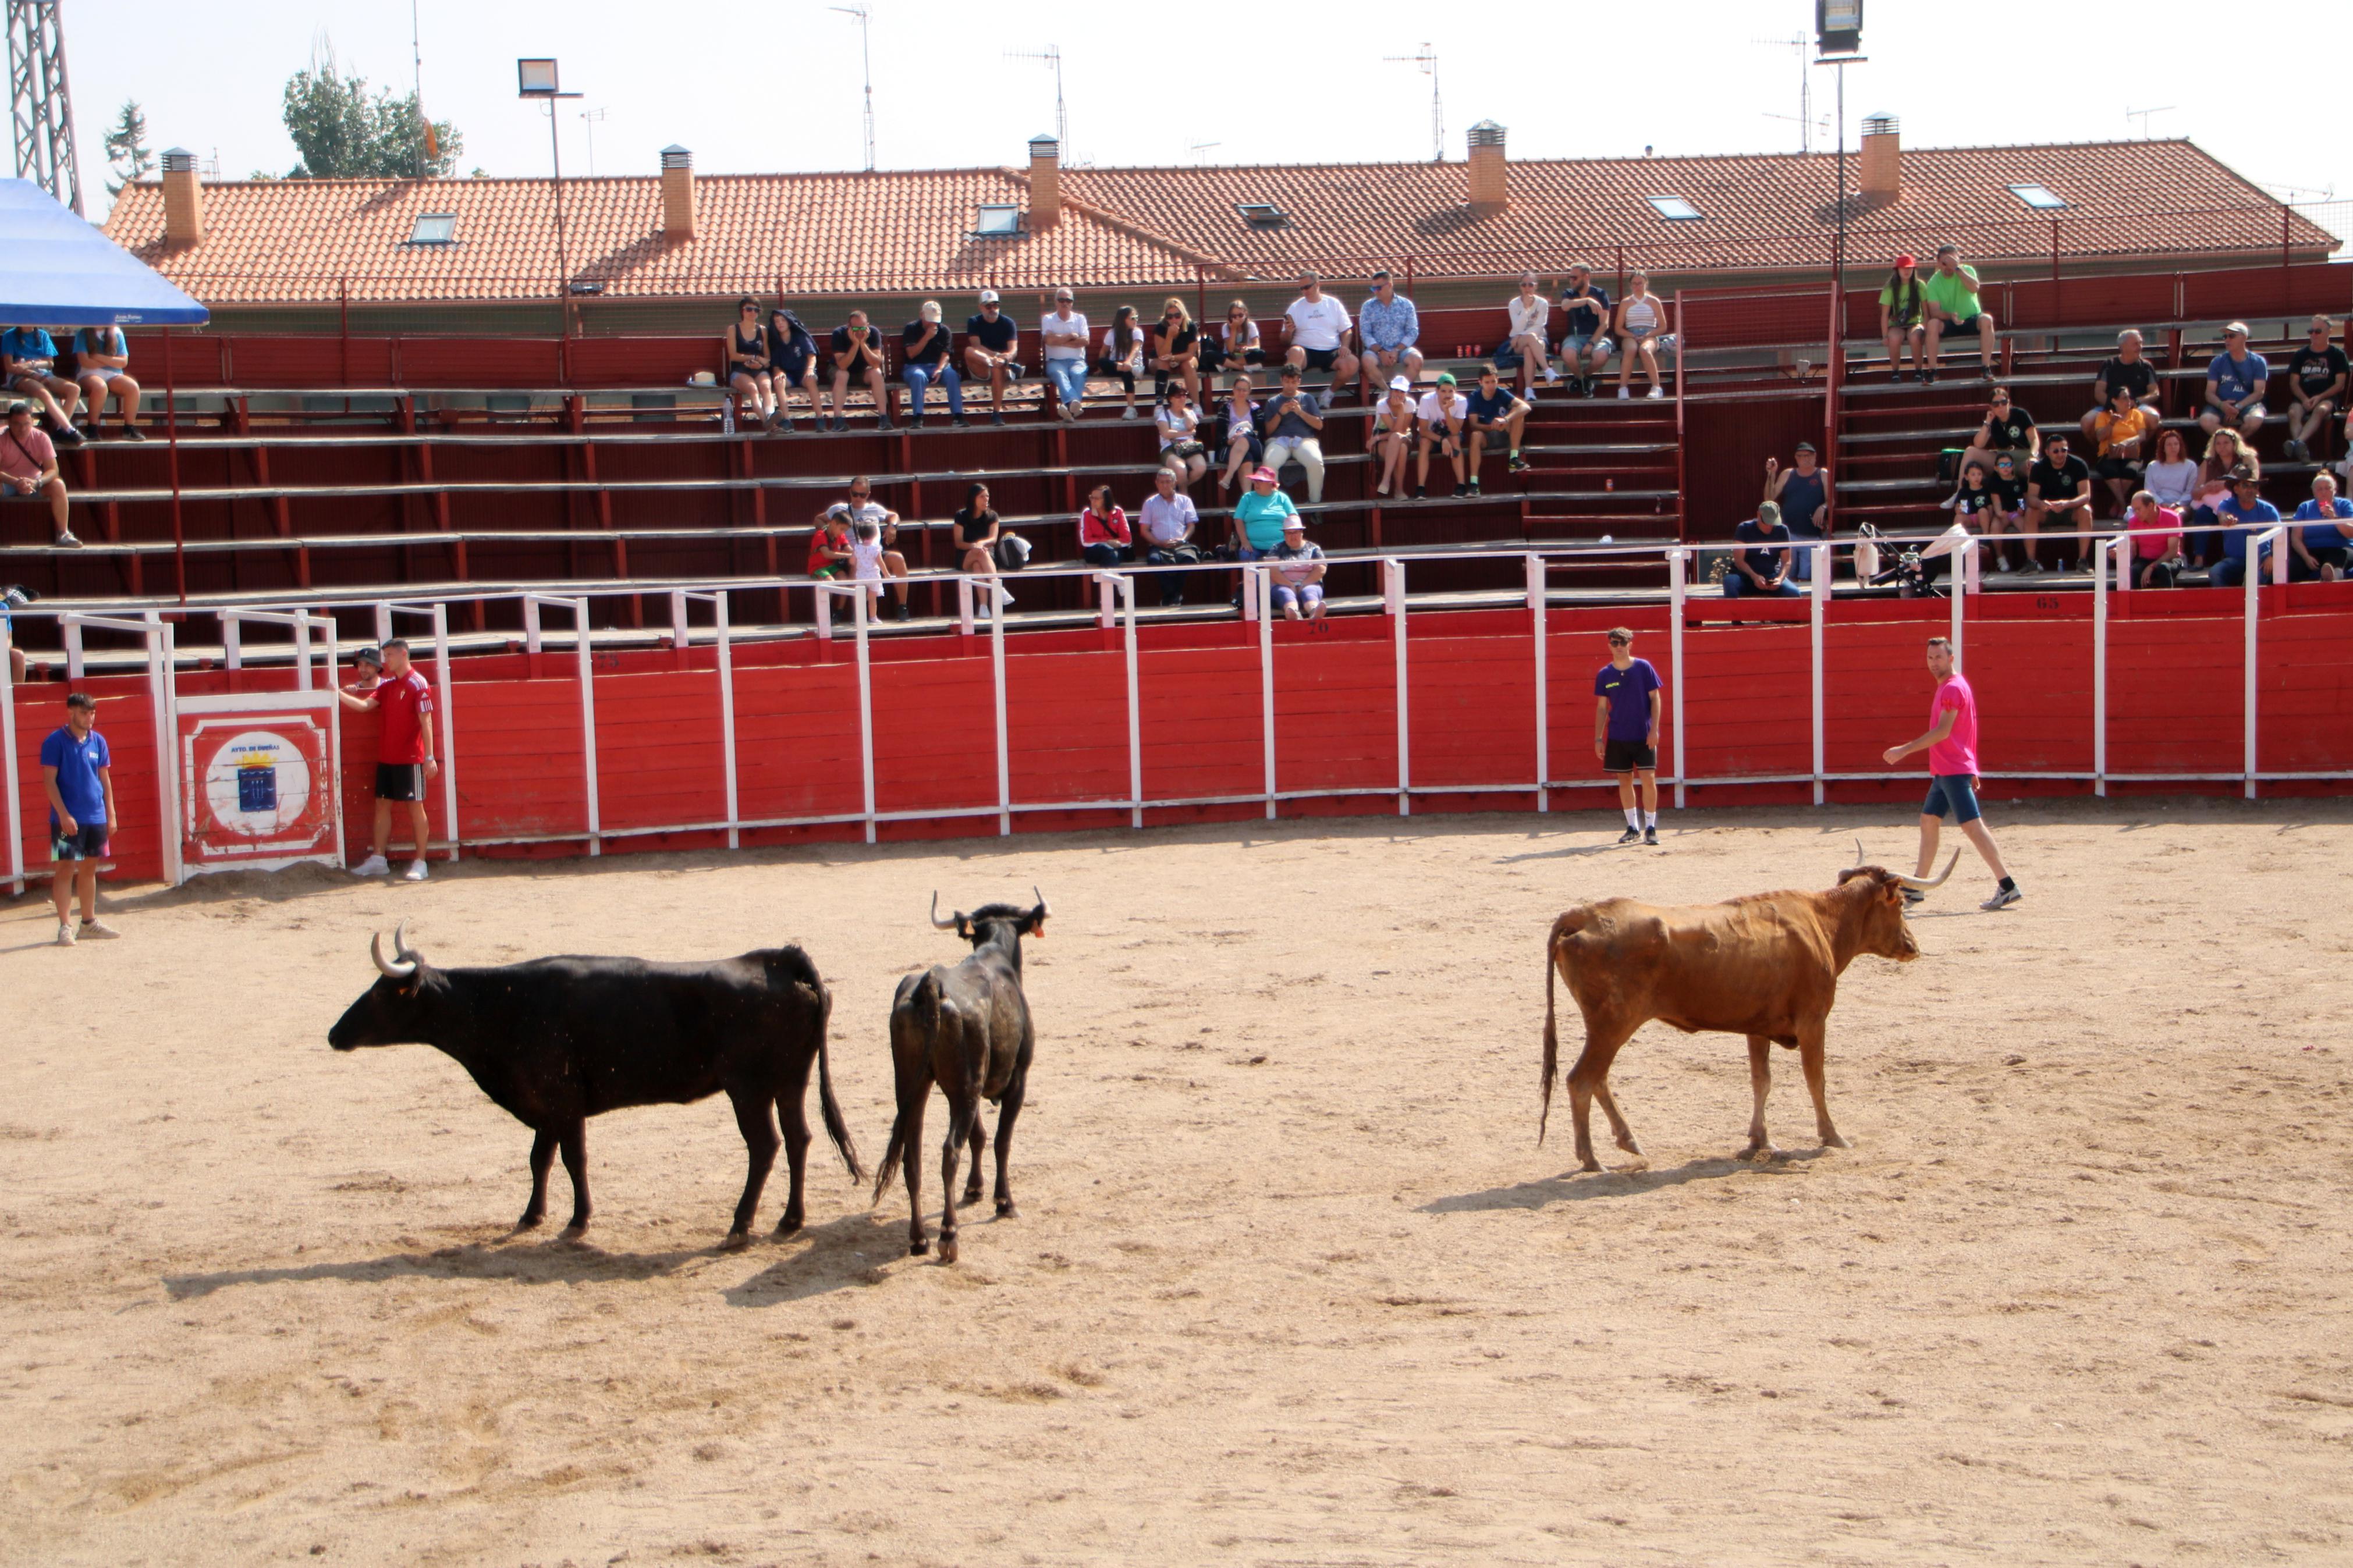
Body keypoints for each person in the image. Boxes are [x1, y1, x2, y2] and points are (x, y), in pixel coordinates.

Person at [1883, 636, 2020, 912]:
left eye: (1939, 658)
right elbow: (1966, 731)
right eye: (1930, 658)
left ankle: (2007, 886)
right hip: (1950, 769)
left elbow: (1944, 732)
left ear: (1951, 659)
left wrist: (1905, 750)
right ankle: (1918, 887)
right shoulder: (1955, 686)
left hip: (1952, 769)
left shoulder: (1951, 689)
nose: (1934, 663)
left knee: (1972, 826)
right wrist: (1972, 767)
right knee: (1929, 820)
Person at [336, 639, 438, 881]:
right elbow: (364, 706)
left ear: (404, 654)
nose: (386, 660)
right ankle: (379, 859)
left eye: (390, 655)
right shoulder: (389, 686)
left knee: (416, 807)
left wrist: (430, 757)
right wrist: (337, 693)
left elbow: (427, 721)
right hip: (387, 757)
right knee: (382, 805)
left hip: (411, 757)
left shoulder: (418, 683)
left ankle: (421, 862)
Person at [40, 691, 119, 945]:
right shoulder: (55, 741)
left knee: (89, 869)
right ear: (71, 712)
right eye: (84, 713)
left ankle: (88, 923)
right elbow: (49, 781)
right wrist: (63, 814)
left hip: (95, 816)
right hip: (67, 818)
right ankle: (65, 926)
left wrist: (111, 814)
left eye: (92, 713)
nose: (90, 718)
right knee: (64, 868)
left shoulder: (98, 741)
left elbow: (105, 780)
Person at [1593, 627, 1663, 845]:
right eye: (1615, 643)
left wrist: (1654, 729)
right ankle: (1633, 827)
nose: (1619, 647)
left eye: (1623, 643)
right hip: (1618, 736)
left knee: (1648, 779)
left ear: (1630, 644)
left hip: (1643, 734)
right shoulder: (1605, 674)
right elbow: (1602, 708)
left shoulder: (1643, 667)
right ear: (1609, 646)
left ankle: (1651, 827)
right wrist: (1598, 738)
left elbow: (1655, 699)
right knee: (1624, 780)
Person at [1, 399, 75, 546]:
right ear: (9, 423)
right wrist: (16, 482)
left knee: (58, 484)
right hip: (6, 483)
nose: (22, 429)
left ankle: (64, 533)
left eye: (26, 424)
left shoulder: (41, 437)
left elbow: (53, 470)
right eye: (17, 424)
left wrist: (37, 482)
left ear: (33, 422)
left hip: (35, 482)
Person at [1919, 244, 1996, 381]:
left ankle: (1985, 368)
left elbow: (1975, 288)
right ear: (1938, 263)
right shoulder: (1933, 283)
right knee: (1932, 324)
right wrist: (1951, 316)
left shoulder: (1967, 271)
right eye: (1944, 263)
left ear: (1958, 261)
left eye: (1952, 262)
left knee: (1987, 320)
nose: (1948, 267)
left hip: (1972, 319)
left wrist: (1957, 270)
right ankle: (1933, 371)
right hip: (1949, 322)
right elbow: (1935, 311)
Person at [1, 325, 84, 443]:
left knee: (74, 389)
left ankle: (60, 429)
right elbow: (10, 367)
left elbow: (50, 363)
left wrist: (31, 364)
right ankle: (69, 429)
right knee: (43, 393)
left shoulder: (43, 335)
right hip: (20, 376)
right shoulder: (10, 336)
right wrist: (31, 373)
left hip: (44, 374)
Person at [2024, 434, 2093, 574]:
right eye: (2056, 451)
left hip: (2071, 510)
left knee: (2086, 510)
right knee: (2031, 512)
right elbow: (2031, 498)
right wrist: (2040, 504)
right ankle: (2031, 562)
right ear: (2047, 452)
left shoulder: (2079, 465)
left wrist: (2067, 504)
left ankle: (2082, 561)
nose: (2061, 454)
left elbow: (2086, 496)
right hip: (2047, 510)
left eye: (2064, 450)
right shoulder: (2038, 468)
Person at [1763, 443, 1832, 581]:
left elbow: (1832, 500)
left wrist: (1823, 507)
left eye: (1808, 455)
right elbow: (1769, 499)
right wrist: (1772, 474)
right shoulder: (1788, 474)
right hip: (1789, 534)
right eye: (1801, 456)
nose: (1805, 459)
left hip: (1812, 534)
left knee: (1808, 577)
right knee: (1789, 575)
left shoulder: (1822, 474)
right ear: (1796, 458)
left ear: (1815, 456)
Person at [2188, 429, 2256, 568]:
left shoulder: (2246, 459)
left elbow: (2254, 482)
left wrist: (2225, 485)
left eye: (2226, 443)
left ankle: (2231, 556)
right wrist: (2206, 488)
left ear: (2234, 444)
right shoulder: (2208, 463)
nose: (2222, 446)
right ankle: (2199, 558)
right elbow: (2194, 493)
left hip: (2239, 501)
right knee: (2201, 514)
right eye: (2218, 443)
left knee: (2234, 515)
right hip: (2213, 504)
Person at [1259, 364, 1326, 503]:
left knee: (1316, 462)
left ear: (1299, 382)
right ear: (1282, 381)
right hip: (1278, 441)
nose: (1290, 386)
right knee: (1269, 463)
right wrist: (1280, 413)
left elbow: (1319, 425)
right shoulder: (1273, 402)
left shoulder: (1307, 398)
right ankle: (1273, 504)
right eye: (1287, 382)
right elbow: (1268, 431)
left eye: (1294, 382)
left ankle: (1315, 502)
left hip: (1304, 440)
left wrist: (1300, 412)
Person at [2284, 315, 2347, 462]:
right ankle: (2300, 447)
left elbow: (2340, 384)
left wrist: (2319, 397)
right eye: (2310, 331)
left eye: (2317, 331)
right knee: (2293, 413)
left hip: (2326, 398)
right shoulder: (2301, 354)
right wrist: (2304, 399)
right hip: (2302, 397)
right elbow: (2294, 383)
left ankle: (2297, 443)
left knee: (2320, 410)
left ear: (2328, 332)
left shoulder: (2338, 355)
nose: (2313, 335)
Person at [1280, 271, 1355, 394]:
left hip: (1331, 351)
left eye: (1307, 287)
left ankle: (1329, 393)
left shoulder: (1333, 304)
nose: (1305, 291)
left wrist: (1345, 346)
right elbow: (1284, 341)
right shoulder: (1295, 307)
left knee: (1352, 362)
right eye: (1301, 288)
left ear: (1317, 285)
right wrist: (1288, 332)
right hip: (1305, 352)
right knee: (1295, 352)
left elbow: (1346, 330)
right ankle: (1290, 395)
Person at [1355, 268, 1422, 403]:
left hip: (1402, 349)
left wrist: (1397, 350)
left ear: (1390, 285)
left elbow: (1412, 331)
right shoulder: (1368, 307)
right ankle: (1388, 392)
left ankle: (1402, 392)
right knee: (1367, 362)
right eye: (1373, 289)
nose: (1376, 292)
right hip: (1376, 351)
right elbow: (1365, 333)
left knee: (1417, 360)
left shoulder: (1406, 305)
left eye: (1379, 288)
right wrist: (1381, 351)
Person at [2080, 329, 2159, 444]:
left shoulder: (2146, 366)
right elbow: (2099, 393)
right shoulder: (2109, 365)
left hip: (2137, 407)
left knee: (2154, 418)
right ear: (2123, 347)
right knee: (2086, 422)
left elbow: (2155, 392)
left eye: (2141, 343)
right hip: (2111, 406)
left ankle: (2137, 448)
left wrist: (2137, 401)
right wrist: (2114, 406)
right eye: (2136, 344)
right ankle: (2103, 450)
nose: (2140, 347)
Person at [2208, 467, 2281, 589]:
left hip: (2261, 560)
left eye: (2254, 486)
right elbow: (2222, 516)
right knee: (2215, 572)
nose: (2250, 490)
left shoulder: (2269, 510)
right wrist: (2227, 520)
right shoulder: (2227, 504)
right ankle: (2226, 604)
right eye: (2245, 486)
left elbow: (2280, 535)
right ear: (2236, 489)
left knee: (2253, 578)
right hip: (2234, 560)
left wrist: (2272, 556)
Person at [2091, 384, 2159, 516]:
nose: (2128, 402)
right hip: (2109, 454)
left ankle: (2117, 503)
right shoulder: (2103, 416)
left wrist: (2127, 442)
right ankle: (2123, 506)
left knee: (2129, 471)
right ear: (2114, 401)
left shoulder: (2136, 414)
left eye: (2129, 398)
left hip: (2131, 454)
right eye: (2124, 398)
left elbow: (2142, 435)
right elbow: (2100, 437)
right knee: (2111, 471)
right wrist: (2111, 423)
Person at [1462, 365, 1532, 491]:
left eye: (1493, 381)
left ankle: (1514, 459)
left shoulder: (1501, 392)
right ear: (1480, 382)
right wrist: (1492, 427)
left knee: (1518, 413)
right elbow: (1473, 425)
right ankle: (1474, 484)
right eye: (1487, 382)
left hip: (1506, 434)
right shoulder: (1474, 397)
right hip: (1487, 437)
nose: (1491, 385)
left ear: (1497, 380)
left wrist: (1506, 420)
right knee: (1475, 435)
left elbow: (1526, 407)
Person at [1137, 466, 1200, 606]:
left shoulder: (1185, 501)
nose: (1165, 485)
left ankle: (1172, 595)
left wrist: (1183, 539)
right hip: (1159, 545)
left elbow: (1191, 525)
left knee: (1189, 559)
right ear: (1157, 483)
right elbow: (1144, 530)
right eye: (1162, 482)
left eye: (1168, 482)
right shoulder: (1150, 503)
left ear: (1175, 483)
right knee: (1154, 561)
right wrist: (1160, 543)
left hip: (1181, 544)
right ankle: (1173, 594)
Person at [70, 325, 144, 440]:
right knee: (100, 387)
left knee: (133, 387)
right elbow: (85, 362)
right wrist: (111, 361)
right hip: (89, 373)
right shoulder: (84, 333)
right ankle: (92, 429)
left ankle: (129, 428)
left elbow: (123, 362)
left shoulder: (117, 333)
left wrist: (97, 357)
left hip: (114, 375)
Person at [962, 289, 1025, 425]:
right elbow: (976, 346)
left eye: (995, 305)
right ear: (981, 307)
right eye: (988, 306)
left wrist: (1005, 359)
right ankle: (993, 363)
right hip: (982, 365)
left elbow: (1013, 349)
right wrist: (995, 357)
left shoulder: (1008, 323)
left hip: (1002, 366)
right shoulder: (973, 321)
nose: (992, 309)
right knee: (969, 351)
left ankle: (996, 413)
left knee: (997, 368)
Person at [900, 300, 964, 428]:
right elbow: (911, 354)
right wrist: (926, 337)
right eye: (930, 319)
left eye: (935, 320)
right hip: (915, 367)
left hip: (938, 366)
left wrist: (940, 369)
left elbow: (946, 354)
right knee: (918, 377)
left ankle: (958, 416)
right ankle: (917, 417)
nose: (933, 323)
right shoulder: (911, 328)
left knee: (952, 376)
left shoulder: (945, 330)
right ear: (921, 315)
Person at [828, 309, 893, 432]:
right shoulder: (839, 334)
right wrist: (855, 344)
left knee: (877, 373)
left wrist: (863, 344)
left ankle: (884, 418)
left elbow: (876, 363)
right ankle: (837, 420)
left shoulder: (873, 333)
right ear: (849, 327)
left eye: (862, 329)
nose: (859, 332)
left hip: (862, 372)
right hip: (840, 371)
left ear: (867, 326)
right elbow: (842, 365)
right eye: (856, 329)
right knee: (843, 375)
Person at [2201, 322, 2269, 440]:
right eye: (2225, 337)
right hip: (2221, 404)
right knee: (2206, 421)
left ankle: (2232, 446)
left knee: (2255, 420)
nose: (2227, 340)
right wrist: (2222, 406)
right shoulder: (2217, 362)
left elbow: (2259, 393)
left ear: (2244, 337)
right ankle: (2233, 446)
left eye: (2232, 336)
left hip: (2247, 404)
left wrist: (2238, 407)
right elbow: (2209, 393)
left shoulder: (2258, 362)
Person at [764, 304, 822, 432]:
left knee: (811, 379)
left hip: (804, 373)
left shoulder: (801, 337)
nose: (780, 323)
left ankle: (820, 419)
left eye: (783, 320)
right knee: (778, 381)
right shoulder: (775, 342)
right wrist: (778, 372)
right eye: (777, 321)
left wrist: (810, 370)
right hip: (788, 376)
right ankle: (787, 421)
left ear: (790, 322)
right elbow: (776, 366)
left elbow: (812, 357)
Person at [1557, 264, 1613, 397]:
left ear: (1586, 277)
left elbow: (1604, 324)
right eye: (1570, 277)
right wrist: (1587, 301)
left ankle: (1582, 379)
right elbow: (1565, 306)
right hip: (1575, 337)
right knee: (1568, 355)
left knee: (1601, 356)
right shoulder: (1569, 293)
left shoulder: (1600, 294)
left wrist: (1591, 343)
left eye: (1575, 278)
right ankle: (1585, 382)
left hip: (1597, 337)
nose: (1571, 280)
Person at [1725, 500, 1801, 598]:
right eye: (1767, 521)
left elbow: (1787, 561)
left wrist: (1780, 579)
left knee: (1793, 593)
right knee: (1730, 583)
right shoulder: (1744, 528)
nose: (1770, 525)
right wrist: (1754, 577)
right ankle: (1734, 612)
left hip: (1771, 576)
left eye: (1773, 521)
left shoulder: (1782, 530)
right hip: (1745, 576)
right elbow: (1739, 561)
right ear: (1758, 515)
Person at [723, 297, 777, 429]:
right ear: (742, 311)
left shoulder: (763, 330)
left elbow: (767, 356)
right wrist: (755, 358)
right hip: (739, 371)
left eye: (756, 310)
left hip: (758, 369)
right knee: (753, 390)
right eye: (749, 309)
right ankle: (770, 425)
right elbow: (733, 356)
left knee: (765, 387)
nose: (753, 313)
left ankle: (770, 415)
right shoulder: (733, 329)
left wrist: (760, 364)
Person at [2288, 472, 2353, 582]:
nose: (2324, 493)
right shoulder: (2305, 507)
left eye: (2328, 488)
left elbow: (2350, 533)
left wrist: (2334, 518)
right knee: (2293, 567)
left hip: (2340, 549)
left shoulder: (2345, 505)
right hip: (2312, 551)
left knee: (2336, 562)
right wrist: (2306, 557)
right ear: (2314, 492)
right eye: (2320, 489)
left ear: (2335, 490)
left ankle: (2330, 578)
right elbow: (2296, 538)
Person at [1612, 272, 1667, 399]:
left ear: (1646, 284)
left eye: (1640, 283)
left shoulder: (1654, 301)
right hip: (1631, 334)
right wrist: (1632, 335)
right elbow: (1618, 328)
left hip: (1650, 334)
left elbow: (1663, 327)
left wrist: (1648, 335)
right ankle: (1623, 389)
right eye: (1634, 284)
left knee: (1645, 350)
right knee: (1631, 349)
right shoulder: (1625, 303)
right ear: (1630, 285)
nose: (1637, 286)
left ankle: (1656, 387)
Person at [1961, 386, 2038, 476]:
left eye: (2004, 402)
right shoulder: (1992, 420)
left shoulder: (2021, 414)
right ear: (1991, 407)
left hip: (2023, 457)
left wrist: (2033, 456)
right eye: (1996, 404)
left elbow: (2034, 440)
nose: (2000, 406)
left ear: (2008, 403)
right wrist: (1987, 422)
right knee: (1970, 451)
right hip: (2002, 459)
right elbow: (1979, 444)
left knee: (2034, 468)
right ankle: (1961, 489)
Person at [1039, 288, 1091, 421]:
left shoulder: (1080, 319)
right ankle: (1073, 405)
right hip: (1055, 361)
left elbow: (1085, 341)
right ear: (1056, 302)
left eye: (1068, 300)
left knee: (1078, 374)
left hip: (1077, 361)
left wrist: (1059, 341)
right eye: (1062, 300)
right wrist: (1070, 337)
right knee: (1060, 375)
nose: (1065, 303)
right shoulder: (1048, 319)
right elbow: (1048, 340)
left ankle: (1068, 408)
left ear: (1072, 303)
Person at [1414, 372, 1467, 498]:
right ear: (1437, 391)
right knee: (1424, 442)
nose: (1447, 395)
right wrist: (1442, 439)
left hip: (1451, 437)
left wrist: (1447, 411)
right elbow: (1423, 430)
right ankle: (1420, 488)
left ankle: (1461, 486)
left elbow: (1455, 431)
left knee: (1455, 440)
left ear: (1455, 391)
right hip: (1431, 437)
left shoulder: (1462, 401)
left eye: (1450, 391)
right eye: (1443, 391)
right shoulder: (1426, 400)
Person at [1504, 272, 1556, 397]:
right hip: (1518, 342)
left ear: (1536, 286)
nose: (1527, 288)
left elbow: (1540, 326)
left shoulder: (1542, 303)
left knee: (1529, 348)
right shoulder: (1514, 304)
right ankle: (1547, 370)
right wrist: (1526, 309)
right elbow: (1517, 327)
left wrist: (1523, 336)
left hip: (1537, 339)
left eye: (1531, 285)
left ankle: (1529, 390)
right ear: (1520, 287)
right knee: (1529, 341)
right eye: (1524, 285)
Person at [1230, 464, 1296, 561]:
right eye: (1255, 481)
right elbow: (1238, 519)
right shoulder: (1247, 498)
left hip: (1280, 545)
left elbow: (1293, 519)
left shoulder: (1282, 498)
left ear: (1270, 483)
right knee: (1245, 556)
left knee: (1285, 559)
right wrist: (1244, 541)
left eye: (1260, 481)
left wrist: (1290, 542)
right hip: (1253, 546)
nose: (1256, 484)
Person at [849, 520, 913, 619]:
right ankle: (873, 617)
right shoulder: (876, 548)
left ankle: (859, 618)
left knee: (860, 598)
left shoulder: (857, 548)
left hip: (861, 577)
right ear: (874, 535)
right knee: (872, 599)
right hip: (874, 577)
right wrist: (887, 575)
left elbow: (852, 562)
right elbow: (881, 563)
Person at [1267, 516, 1327, 621]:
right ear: (1284, 534)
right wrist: (1290, 585)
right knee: (1285, 593)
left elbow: (1321, 569)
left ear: (1302, 532)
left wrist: (1304, 584)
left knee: (1310, 591)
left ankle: (1314, 612)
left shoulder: (1313, 548)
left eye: (1295, 532)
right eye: (1289, 533)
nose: (1293, 536)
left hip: (1309, 583)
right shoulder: (1276, 549)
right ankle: (1294, 614)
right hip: (1283, 585)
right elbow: (1272, 571)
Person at [1879, 254, 1927, 382]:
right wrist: (1884, 336)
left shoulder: (1920, 286)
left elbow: (1926, 312)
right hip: (1896, 324)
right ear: (1897, 270)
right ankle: (1895, 372)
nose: (1907, 271)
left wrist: (1926, 331)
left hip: (1915, 323)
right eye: (1903, 268)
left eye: (1910, 268)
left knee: (1915, 337)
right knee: (1894, 338)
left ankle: (1919, 371)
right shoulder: (1890, 288)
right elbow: (1884, 314)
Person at [952, 482, 1005, 598]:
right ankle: (998, 589)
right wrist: (975, 546)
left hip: (987, 555)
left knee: (977, 565)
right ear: (973, 499)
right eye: (982, 496)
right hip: (966, 555)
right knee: (980, 553)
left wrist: (981, 544)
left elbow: (993, 539)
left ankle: (983, 607)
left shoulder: (993, 516)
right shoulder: (961, 516)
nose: (986, 499)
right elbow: (959, 543)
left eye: (987, 496)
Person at [2123, 490, 2185, 589]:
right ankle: (2137, 603)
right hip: (2144, 560)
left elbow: (2173, 552)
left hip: (2170, 560)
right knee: (2133, 571)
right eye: (2134, 510)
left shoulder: (2172, 517)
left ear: (2151, 506)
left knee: (2163, 568)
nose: (2136, 513)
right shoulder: (2134, 521)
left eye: (2139, 509)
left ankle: (2168, 603)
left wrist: (2152, 566)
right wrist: (2121, 552)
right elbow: (2133, 551)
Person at [1215, 374, 1264, 494]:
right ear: (1233, 389)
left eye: (1244, 390)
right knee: (1247, 458)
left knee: (1243, 439)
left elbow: (1261, 432)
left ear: (1249, 391)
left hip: (1253, 444)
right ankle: (1247, 497)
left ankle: (1229, 476)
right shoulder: (1225, 409)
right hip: (1231, 446)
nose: (1241, 392)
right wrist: (1228, 441)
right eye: (1238, 389)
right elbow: (1219, 434)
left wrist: (1248, 435)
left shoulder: (1256, 409)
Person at [1371, 374, 1417, 497]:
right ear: (1391, 391)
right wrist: (1378, 438)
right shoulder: (1382, 404)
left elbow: (1401, 431)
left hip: (1401, 437)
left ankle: (1387, 480)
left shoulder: (1410, 404)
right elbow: (1394, 430)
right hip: (1384, 440)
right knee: (1400, 448)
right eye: (1396, 390)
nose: (1399, 394)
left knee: (1398, 441)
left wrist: (1401, 409)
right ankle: (1398, 490)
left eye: (1402, 391)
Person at [1148, 298, 1202, 405]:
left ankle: (1196, 404)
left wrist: (1174, 358)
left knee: (1188, 364)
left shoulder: (1191, 327)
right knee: (1163, 362)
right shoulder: (1160, 327)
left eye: (1177, 316)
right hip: (1162, 361)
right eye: (1170, 317)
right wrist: (1169, 336)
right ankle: (1159, 405)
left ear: (1183, 315)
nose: (1174, 320)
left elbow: (1190, 354)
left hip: (1184, 359)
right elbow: (1162, 355)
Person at [1095, 305, 1144, 417]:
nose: (1136, 320)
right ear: (1123, 320)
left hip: (1132, 365)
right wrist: (1100, 368)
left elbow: (1135, 349)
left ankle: (1131, 408)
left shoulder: (1137, 332)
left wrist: (1128, 362)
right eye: (1132, 318)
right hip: (1116, 366)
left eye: (1137, 317)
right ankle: (1127, 368)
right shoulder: (1112, 333)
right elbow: (1103, 352)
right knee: (1103, 362)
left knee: (1127, 373)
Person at [2143, 428, 2199, 525]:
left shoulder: (2190, 466)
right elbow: (2149, 490)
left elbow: (2190, 491)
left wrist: (2177, 504)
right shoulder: (2153, 466)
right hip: (2157, 505)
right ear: (2163, 448)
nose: (2173, 447)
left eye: (2176, 444)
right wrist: (2161, 503)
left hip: (2181, 505)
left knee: (2176, 516)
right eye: (2169, 445)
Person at [1155, 383, 1207, 485]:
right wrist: (1186, 433)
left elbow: (1190, 427)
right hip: (1170, 448)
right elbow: (1166, 434)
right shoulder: (1164, 415)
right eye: (1178, 396)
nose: (1182, 398)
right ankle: (1184, 494)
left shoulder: (1190, 413)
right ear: (1171, 398)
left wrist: (1186, 413)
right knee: (1181, 469)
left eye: (1185, 395)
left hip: (1188, 446)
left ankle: (1179, 489)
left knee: (1201, 468)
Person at [1199, 300, 1262, 380]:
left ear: (1246, 314)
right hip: (1229, 357)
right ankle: (1243, 368)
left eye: (1240, 315)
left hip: (1245, 357)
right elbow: (1230, 349)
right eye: (1234, 316)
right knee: (1209, 354)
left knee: (1261, 353)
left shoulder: (1251, 326)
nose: (1237, 318)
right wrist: (1234, 329)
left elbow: (1257, 346)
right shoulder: (1226, 327)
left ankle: (1226, 367)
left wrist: (1248, 349)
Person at [1077, 484, 1133, 567]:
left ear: (1106, 500)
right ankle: (1113, 579)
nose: (1093, 501)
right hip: (1094, 551)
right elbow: (1086, 540)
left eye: (1097, 499)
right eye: (1092, 497)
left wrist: (1116, 543)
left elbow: (1127, 539)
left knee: (1112, 556)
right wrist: (1108, 542)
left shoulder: (1118, 512)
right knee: (1108, 551)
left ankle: (1103, 580)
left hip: (1116, 549)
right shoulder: (1087, 513)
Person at [2, 582, 31, 682]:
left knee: (18, 656)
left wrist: (3, 651)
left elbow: (9, 639)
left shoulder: (2, 608)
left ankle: (17, 695)